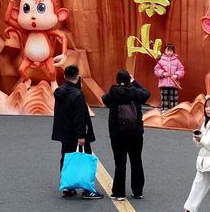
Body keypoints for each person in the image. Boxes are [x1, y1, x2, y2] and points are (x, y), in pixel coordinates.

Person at [52, 65, 103, 199]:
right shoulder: (77, 94)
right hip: (76, 133)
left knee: (66, 158)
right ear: (78, 77)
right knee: (85, 158)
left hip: (64, 132)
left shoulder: (59, 92)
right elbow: (80, 117)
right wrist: (81, 135)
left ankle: (67, 187)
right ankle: (87, 189)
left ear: (64, 76)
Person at [101, 70, 150, 201]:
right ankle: (137, 190)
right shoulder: (136, 93)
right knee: (136, 161)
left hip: (117, 134)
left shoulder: (112, 94)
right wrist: (135, 82)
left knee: (120, 163)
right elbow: (147, 93)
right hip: (135, 133)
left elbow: (104, 100)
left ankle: (119, 192)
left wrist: (117, 86)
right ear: (129, 80)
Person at [153, 43, 185, 110]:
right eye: (167, 50)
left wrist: (176, 75)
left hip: (174, 84)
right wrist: (163, 73)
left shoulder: (177, 61)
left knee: (174, 99)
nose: (169, 52)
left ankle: (173, 111)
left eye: (171, 51)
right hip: (164, 84)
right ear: (164, 51)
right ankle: (165, 111)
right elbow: (156, 70)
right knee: (164, 99)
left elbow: (181, 70)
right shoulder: (161, 61)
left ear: (173, 51)